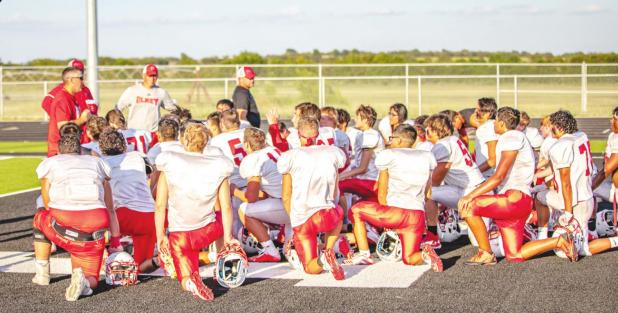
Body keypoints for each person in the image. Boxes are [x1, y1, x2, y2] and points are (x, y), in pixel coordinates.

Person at [31, 134, 122, 301]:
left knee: (40, 217)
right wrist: (115, 240)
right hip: (94, 228)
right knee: (92, 279)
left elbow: (46, 198)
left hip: (63, 223)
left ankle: (42, 273)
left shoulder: (52, 162)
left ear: (59, 151)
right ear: (80, 150)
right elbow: (109, 206)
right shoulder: (96, 162)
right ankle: (84, 283)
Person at [155, 123, 237, 301]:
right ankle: (220, 258)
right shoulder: (218, 165)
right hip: (207, 231)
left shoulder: (170, 161)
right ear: (206, 141)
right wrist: (229, 236)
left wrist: (161, 235)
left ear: (184, 140)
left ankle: (191, 282)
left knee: (185, 277)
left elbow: (160, 205)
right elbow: (226, 207)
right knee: (220, 220)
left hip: (180, 236)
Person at [346, 124, 443, 272]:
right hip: (417, 215)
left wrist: (386, 221)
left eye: (392, 138)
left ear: (398, 140)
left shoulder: (388, 155)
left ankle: (364, 254)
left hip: (396, 212)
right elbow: (428, 194)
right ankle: (425, 255)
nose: (390, 141)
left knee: (356, 210)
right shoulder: (427, 156)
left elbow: (382, 193)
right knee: (409, 258)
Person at [457, 107, 539, 264]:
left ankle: (485, 253)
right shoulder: (514, 137)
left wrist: (470, 195)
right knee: (515, 255)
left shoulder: (511, 137)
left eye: (495, 121)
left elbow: (498, 177)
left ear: (501, 123)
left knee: (468, 206)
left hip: (515, 198)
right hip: (518, 199)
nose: (493, 124)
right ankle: (560, 241)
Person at [277, 117, 346, 280]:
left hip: (304, 219)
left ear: (298, 134)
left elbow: (286, 195)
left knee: (311, 268)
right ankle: (328, 250)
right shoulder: (333, 152)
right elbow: (336, 189)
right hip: (329, 215)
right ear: (317, 135)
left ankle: (323, 260)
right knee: (339, 212)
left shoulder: (290, 156)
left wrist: (295, 222)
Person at [535, 110, 595, 257]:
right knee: (585, 249)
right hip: (588, 199)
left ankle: (541, 237)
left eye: (552, 126)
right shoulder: (581, 136)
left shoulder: (560, 146)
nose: (550, 129)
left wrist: (568, 213)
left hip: (573, 204)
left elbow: (566, 182)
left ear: (560, 127)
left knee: (539, 197)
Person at [99, 129, 159, 273]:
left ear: (101, 148)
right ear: (124, 145)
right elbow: (151, 170)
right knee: (142, 266)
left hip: (119, 217)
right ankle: (157, 260)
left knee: (91, 214)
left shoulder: (99, 162)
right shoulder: (139, 156)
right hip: (149, 216)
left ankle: (101, 255)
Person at [423, 113, 487, 249]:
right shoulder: (453, 139)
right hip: (467, 189)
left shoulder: (442, 145)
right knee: (430, 193)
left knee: (480, 242)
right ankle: (433, 233)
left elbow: (435, 180)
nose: (426, 132)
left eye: (428, 128)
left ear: (434, 130)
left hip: (472, 192)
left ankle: (433, 234)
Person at [236, 127, 291, 262]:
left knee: (244, 210)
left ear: (246, 144)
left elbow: (251, 198)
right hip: (298, 201)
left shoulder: (253, 159)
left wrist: (234, 191)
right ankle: (337, 246)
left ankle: (269, 250)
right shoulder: (274, 150)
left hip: (287, 205)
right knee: (290, 251)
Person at [42, 59, 98, 144]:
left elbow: (92, 110)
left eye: (81, 74)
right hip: (66, 143)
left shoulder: (84, 90)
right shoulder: (61, 93)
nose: (81, 79)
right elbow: (46, 103)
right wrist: (59, 117)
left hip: (82, 139)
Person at [339, 105, 385, 202]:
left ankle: (343, 217)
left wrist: (340, 177)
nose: (355, 120)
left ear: (365, 120)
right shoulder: (363, 134)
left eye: (358, 117)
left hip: (370, 180)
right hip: (365, 180)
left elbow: (363, 168)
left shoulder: (370, 135)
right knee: (357, 210)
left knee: (336, 185)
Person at [116, 64, 177, 132]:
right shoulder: (132, 90)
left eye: (154, 76)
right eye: (150, 75)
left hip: (153, 133)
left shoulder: (161, 92)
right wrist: (120, 125)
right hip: (134, 133)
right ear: (144, 75)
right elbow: (118, 109)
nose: (152, 78)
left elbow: (173, 109)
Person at [45, 67, 91, 157]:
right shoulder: (63, 99)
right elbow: (63, 126)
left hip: (69, 148)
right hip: (61, 151)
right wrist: (82, 119)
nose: (83, 82)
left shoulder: (71, 97)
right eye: (81, 78)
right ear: (71, 80)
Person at [474, 98, 499, 178]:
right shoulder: (488, 126)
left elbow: (492, 160)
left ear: (487, 113)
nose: (475, 113)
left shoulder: (488, 127)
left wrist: (474, 173)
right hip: (486, 174)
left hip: (488, 176)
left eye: (478, 110)